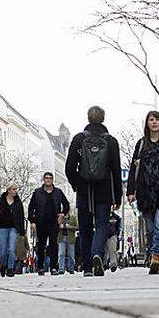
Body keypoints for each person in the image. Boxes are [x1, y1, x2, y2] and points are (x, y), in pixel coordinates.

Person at [66, 106, 123, 276]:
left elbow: (69, 167)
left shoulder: (78, 139)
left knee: (84, 227)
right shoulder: (111, 141)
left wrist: (77, 184)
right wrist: (117, 195)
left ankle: (87, 268)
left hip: (84, 189)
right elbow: (116, 170)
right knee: (101, 225)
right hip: (104, 189)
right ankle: (96, 254)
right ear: (103, 119)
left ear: (88, 118)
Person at [130, 111, 159, 274]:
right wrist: (131, 191)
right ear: (147, 123)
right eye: (151, 119)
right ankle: (154, 254)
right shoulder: (141, 144)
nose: (154, 122)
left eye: (157, 119)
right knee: (150, 229)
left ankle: (156, 257)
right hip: (145, 193)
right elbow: (133, 168)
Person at [27, 172, 70, 275]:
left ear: (53, 180)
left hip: (54, 222)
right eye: (46, 178)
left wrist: (62, 214)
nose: (48, 180)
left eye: (50, 178)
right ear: (43, 179)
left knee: (53, 245)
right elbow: (30, 207)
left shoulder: (58, 192)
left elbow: (66, 204)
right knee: (40, 246)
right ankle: (40, 267)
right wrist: (32, 221)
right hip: (41, 222)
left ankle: (53, 267)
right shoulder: (37, 192)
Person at [0, 184, 27, 277]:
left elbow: (21, 217)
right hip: (2, 227)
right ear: (8, 190)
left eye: (16, 189)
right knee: (2, 251)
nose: (15, 191)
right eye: (13, 189)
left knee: (11, 249)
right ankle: (3, 265)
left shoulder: (18, 202)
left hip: (14, 228)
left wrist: (22, 232)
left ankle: (10, 268)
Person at [57, 208, 78, 274]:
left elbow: (77, 227)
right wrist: (60, 224)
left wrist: (69, 227)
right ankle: (61, 269)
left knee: (71, 255)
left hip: (71, 238)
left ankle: (71, 269)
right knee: (61, 254)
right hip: (61, 238)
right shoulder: (60, 217)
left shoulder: (73, 218)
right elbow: (56, 226)